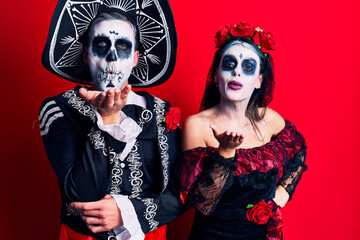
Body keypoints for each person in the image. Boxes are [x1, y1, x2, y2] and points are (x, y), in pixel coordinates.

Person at [39, 1, 184, 239]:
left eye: (123, 47)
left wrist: (127, 213)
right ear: (86, 55)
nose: (112, 58)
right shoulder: (58, 108)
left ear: (136, 58)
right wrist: (106, 119)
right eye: (102, 45)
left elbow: (182, 194)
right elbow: (82, 192)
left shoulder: (163, 113)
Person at [180, 22, 307, 240]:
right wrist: (226, 153)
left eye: (248, 67)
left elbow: (298, 149)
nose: (237, 72)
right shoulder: (196, 125)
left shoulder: (270, 118)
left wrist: (281, 194)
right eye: (229, 64)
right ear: (217, 75)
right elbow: (203, 204)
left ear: (259, 80)